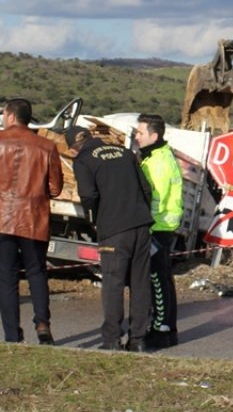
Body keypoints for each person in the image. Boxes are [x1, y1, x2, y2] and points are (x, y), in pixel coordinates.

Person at [0, 98, 63, 345]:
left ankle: (12, 335)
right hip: (33, 218)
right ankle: (42, 324)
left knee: (6, 277)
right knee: (37, 272)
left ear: (9, 116)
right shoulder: (46, 146)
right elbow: (55, 188)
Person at [66, 125, 154, 352]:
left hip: (114, 230)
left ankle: (111, 340)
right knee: (140, 283)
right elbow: (146, 188)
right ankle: (138, 340)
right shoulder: (125, 153)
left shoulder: (83, 161)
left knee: (113, 284)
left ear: (74, 148)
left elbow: (88, 196)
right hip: (141, 225)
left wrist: (95, 220)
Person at [133, 113, 182, 348]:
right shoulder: (157, 155)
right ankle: (167, 328)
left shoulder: (158, 161)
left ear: (154, 135)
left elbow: (157, 198)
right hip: (162, 225)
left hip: (158, 226)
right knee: (163, 278)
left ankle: (160, 330)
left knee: (157, 280)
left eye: (140, 132)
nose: (136, 136)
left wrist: (144, 224)